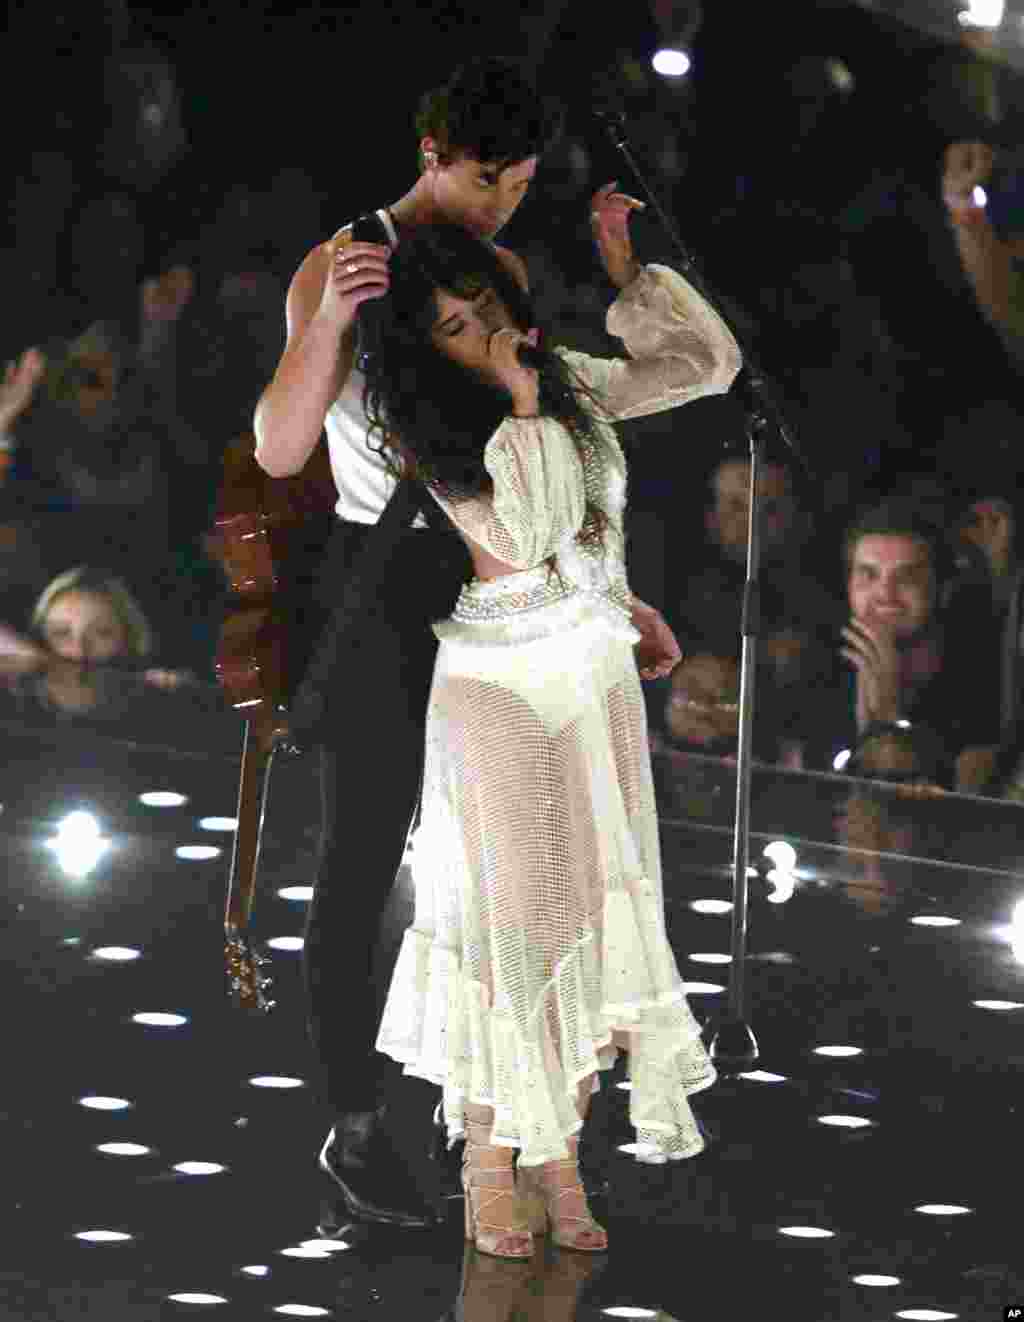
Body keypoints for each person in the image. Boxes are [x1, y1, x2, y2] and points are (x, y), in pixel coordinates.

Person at [362, 209, 741, 1261]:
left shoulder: (564, 376)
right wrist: (521, 399)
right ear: (417, 344)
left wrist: (630, 275)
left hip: (595, 673)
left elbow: (703, 364)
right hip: (498, 685)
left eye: (484, 308)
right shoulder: (428, 425)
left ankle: (560, 1152)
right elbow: (521, 536)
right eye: (449, 325)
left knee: (593, 925)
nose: (478, 333)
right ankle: (491, 1158)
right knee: (509, 929)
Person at [253, 57, 572, 1233]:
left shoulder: (508, 268)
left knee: (503, 858)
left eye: (523, 181)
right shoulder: (345, 260)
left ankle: (481, 1114)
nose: (503, 202)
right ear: (435, 153)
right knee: (363, 852)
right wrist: (331, 317)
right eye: (490, 178)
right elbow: (283, 446)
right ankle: (354, 1117)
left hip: (499, 568)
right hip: (383, 572)